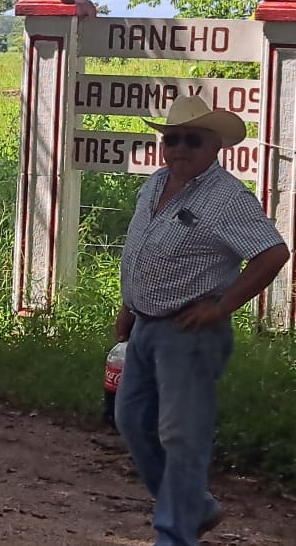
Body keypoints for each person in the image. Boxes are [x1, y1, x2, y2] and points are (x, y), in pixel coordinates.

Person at [113, 95, 290, 546]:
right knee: (132, 420)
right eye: (172, 139)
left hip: (189, 333)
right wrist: (128, 304)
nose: (179, 148)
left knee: (181, 435)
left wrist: (221, 306)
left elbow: (272, 253)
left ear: (214, 147)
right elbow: (139, 248)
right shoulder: (154, 183)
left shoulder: (227, 197)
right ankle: (195, 508)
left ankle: (176, 534)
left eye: (192, 140)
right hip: (146, 325)